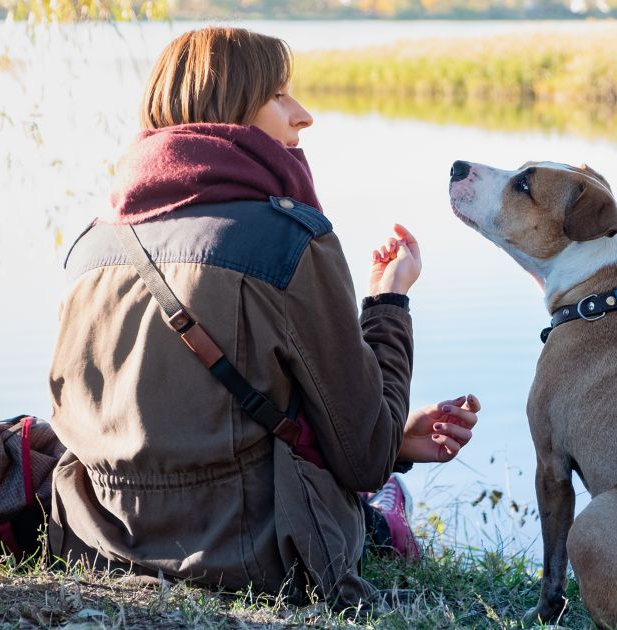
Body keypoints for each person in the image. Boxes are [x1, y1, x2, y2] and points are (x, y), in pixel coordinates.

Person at [45, 26, 479, 607]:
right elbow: (367, 456)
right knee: (381, 491)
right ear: (225, 112)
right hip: (258, 560)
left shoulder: (91, 248)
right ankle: (386, 526)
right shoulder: (288, 241)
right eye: (278, 96)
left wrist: (394, 438)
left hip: (98, 545)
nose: (303, 116)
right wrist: (388, 304)